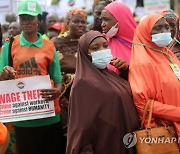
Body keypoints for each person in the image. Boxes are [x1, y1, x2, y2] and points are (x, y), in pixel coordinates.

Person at [0, 0, 64, 153]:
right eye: (23, 18)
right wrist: (4, 74)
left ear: (39, 20)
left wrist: (57, 91)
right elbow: (1, 79)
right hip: (23, 117)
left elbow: (58, 81)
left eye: (31, 18)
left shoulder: (49, 46)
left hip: (48, 115)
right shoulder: (10, 46)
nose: (27, 22)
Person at [66, 30, 139, 154]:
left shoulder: (110, 74)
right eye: (95, 48)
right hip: (106, 144)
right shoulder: (83, 83)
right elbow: (81, 127)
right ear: (85, 53)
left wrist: (125, 71)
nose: (102, 50)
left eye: (105, 46)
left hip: (126, 140)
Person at [129, 13, 180, 144]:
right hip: (167, 130)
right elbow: (143, 104)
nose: (164, 32)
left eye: (166, 27)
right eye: (157, 28)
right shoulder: (142, 62)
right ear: (145, 32)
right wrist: (177, 113)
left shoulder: (167, 53)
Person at [51, 8, 87, 140]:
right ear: (67, 22)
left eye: (83, 22)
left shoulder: (88, 41)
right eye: (76, 21)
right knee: (65, 133)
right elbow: (52, 68)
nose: (80, 25)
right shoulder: (55, 43)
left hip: (85, 94)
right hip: (63, 96)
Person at [101, 2, 136, 74]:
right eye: (102, 20)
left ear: (121, 19)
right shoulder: (101, 42)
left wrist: (126, 68)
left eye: (106, 19)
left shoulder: (143, 44)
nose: (102, 24)